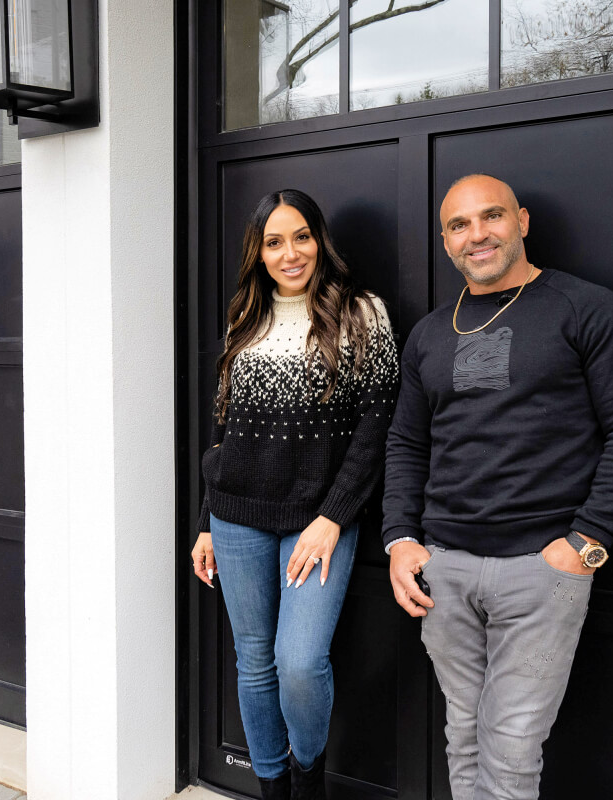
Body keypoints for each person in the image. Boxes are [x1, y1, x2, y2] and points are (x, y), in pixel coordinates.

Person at [382, 174, 613, 799]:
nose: (476, 235)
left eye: (491, 217)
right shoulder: (430, 332)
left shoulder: (586, 309)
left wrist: (587, 542)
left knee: (509, 749)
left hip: (540, 571)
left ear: (523, 221)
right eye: (459, 225)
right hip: (445, 571)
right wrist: (401, 539)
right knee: (464, 735)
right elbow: (406, 443)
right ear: (445, 239)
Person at [192, 189, 399, 800]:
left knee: (300, 662)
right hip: (236, 518)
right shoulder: (244, 318)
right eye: (274, 241)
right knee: (254, 663)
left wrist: (334, 516)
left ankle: (309, 780)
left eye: (301, 236)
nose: (290, 253)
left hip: (318, 521)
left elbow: (377, 425)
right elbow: (223, 427)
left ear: (319, 240)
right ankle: (273, 791)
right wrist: (206, 521)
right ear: (258, 252)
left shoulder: (363, 313)